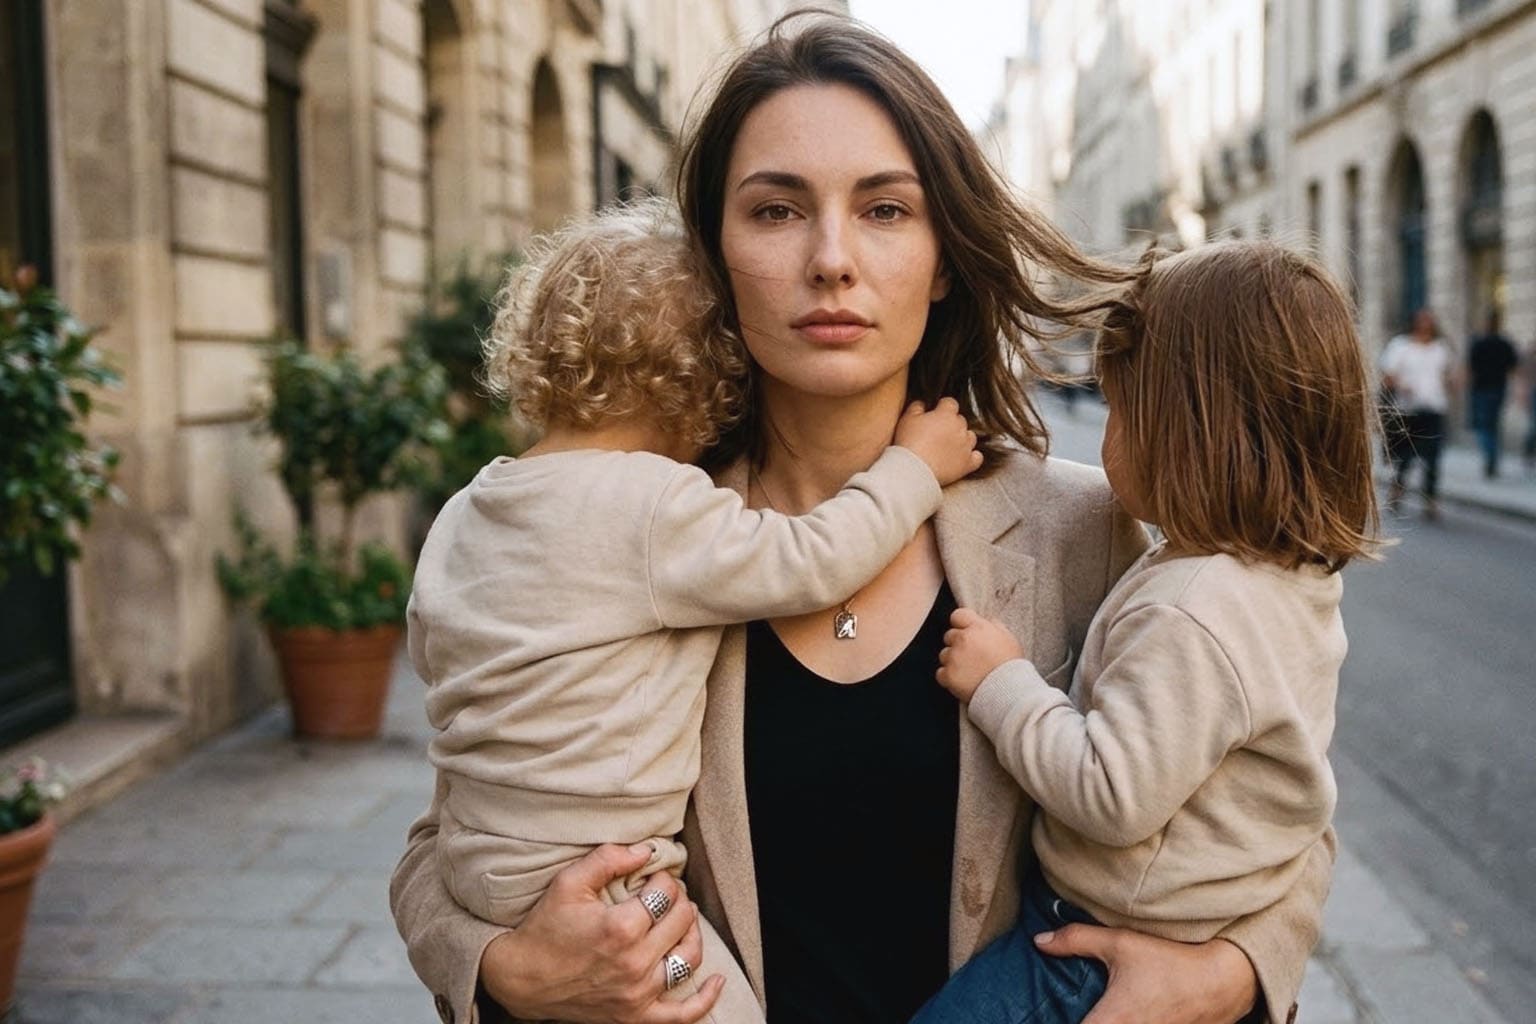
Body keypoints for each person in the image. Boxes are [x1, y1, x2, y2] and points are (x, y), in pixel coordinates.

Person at [390, 14, 1334, 1024]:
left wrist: (1236, 968)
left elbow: (1275, 796)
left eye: (885, 210)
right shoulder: (629, 529)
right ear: (714, 252)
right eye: (776, 211)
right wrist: (503, 966)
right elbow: (453, 833)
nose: (832, 259)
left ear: (941, 258)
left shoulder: (1080, 528)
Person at [408, 200, 982, 1023]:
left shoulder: (468, 506)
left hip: (482, 867)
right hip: (616, 884)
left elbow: (434, 657)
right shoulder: (654, 504)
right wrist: (912, 469)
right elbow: (812, 559)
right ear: (703, 380)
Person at [915, 242, 1376, 1024]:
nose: (1107, 432)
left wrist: (1002, 684)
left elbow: (1109, 793)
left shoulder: (1193, 608)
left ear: (1186, 432)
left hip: (1092, 957)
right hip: (1185, 931)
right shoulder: (1288, 578)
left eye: (1121, 407)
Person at [1380, 308, 1455, 519]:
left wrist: (1452, 383)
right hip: (1409, 409)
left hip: (1434, 408)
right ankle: (1398, 489)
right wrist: (1402, 385)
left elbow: (1449, 375)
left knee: (1433, 455)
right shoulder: (1400, 346)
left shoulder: (1441, 349)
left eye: (1429, 321)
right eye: (1421, 320)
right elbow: (1387, 376)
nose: (1425, 324)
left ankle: (1430, 499)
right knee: (1406, 456)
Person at [1466, 312, 1519, 478]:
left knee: (1484, 426)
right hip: (1498, 388)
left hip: (1481, 389)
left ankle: (1490, 456)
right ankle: (1493, 456)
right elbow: (1513, 366)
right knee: (1493, 425)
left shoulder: (1478, 343)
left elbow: (1470, 367)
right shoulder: (1505, 343)